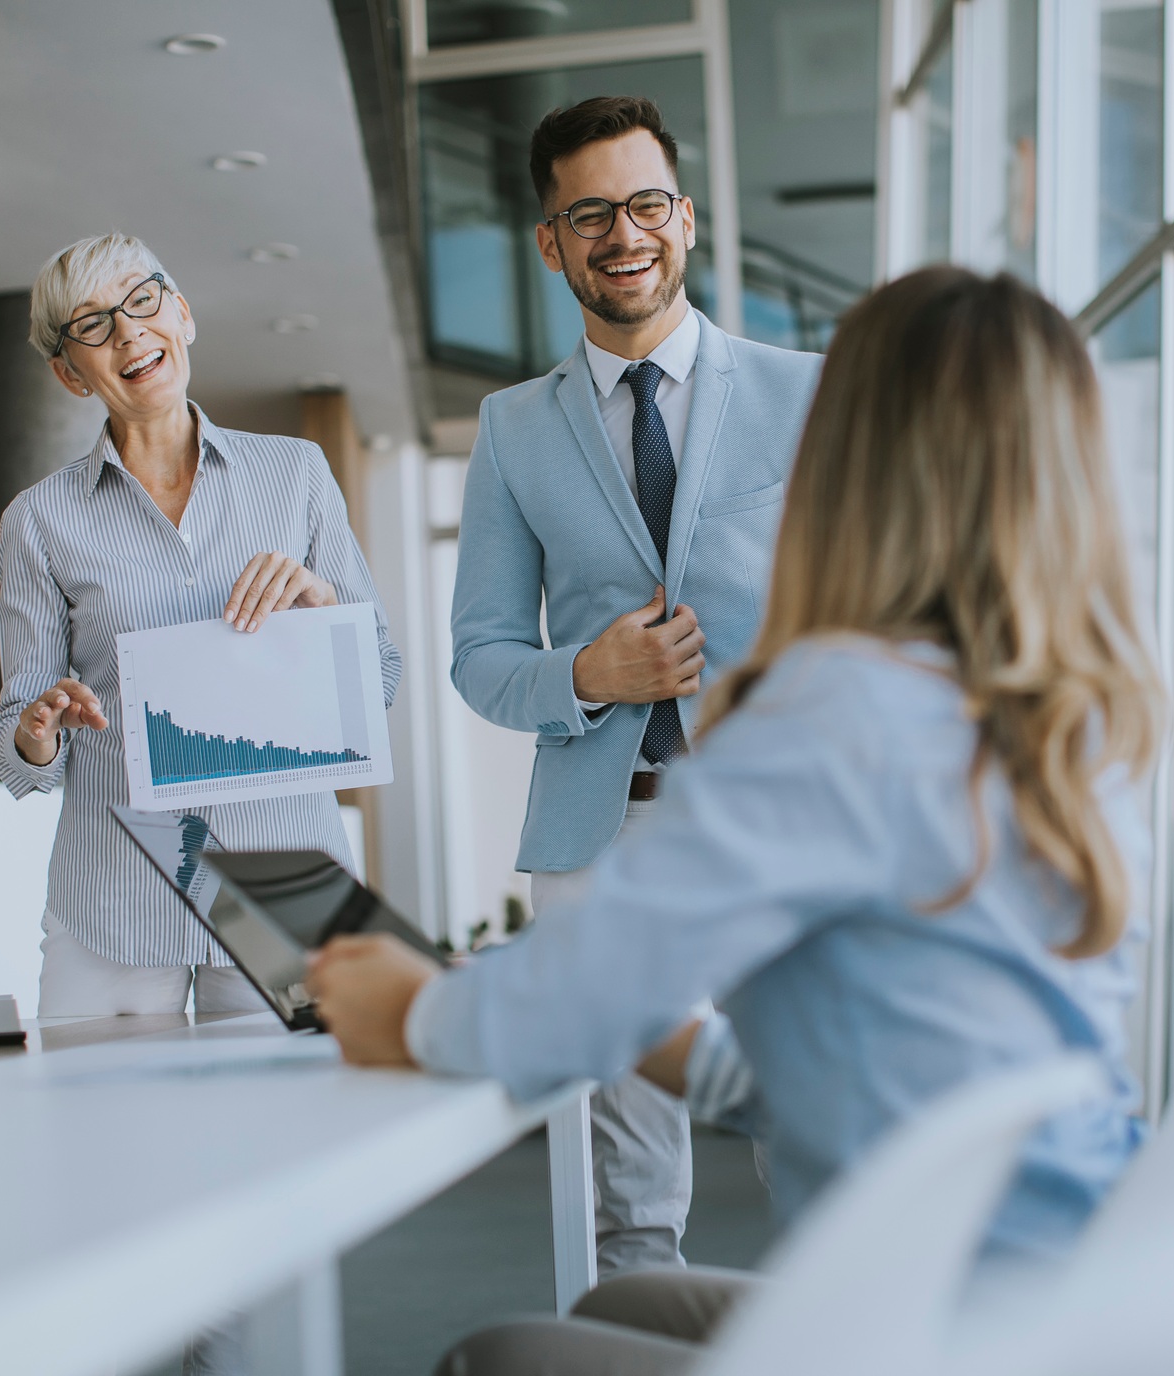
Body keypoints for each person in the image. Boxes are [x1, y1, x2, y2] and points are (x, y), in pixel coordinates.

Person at [307, 267, 1168, 1375]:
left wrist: (416, 1008)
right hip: (1074, 1297)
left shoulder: (841, 703)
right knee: (638, 1296)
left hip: (922, 1329)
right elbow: (908, 1071)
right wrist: (676, 1047)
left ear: (853, 461)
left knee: (499, 1354)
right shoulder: (1074, 722)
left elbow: (567, 997)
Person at [447, 95, 822, 1275]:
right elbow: (480, 654)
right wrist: (586, 673)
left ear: (687, 217)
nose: (625, 233)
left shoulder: (808, 392)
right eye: (590, 212)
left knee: (811, 1143)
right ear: (551, 240)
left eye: (645, 202)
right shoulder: (511, 430)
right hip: (601, 841)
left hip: (778, 827)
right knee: (626, 1188)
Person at [0, 232, 401, 1022]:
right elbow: (22, 746)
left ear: (180, 313)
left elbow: (378, 679)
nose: (128, 332)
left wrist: (322, 614)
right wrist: (39, 729)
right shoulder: (39, 521)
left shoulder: (297, 474)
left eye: (143, 302)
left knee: (292, 1136)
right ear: (69, 372)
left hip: (286, 885)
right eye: (93, 325)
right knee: (104, 1140)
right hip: (113, 892)